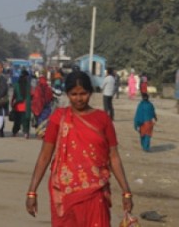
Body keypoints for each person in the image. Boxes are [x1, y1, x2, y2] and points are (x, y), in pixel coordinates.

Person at [26, 71, 133, 226]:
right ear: (67, 94)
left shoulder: (102, 119)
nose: (79, 99)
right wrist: (32, 191)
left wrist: (126, 191)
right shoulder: (59, 118)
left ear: (90, 92)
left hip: (96, 192)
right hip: (65, 193)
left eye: (83, 94)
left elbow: (114, 156)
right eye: (74, 94)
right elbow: (45, 155)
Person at [11, 69, 32, 138]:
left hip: (18, 106)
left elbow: (14, 95)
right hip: (26, 106)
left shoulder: (16, 84)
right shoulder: (28, 85)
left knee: (17, 121)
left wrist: (12, 103)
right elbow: (31, 94)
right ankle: (26, 133)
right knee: (26, 120)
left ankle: (15, 132)